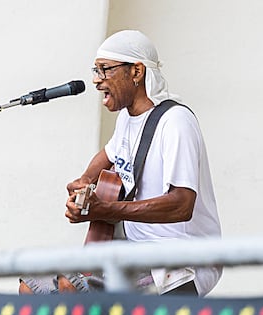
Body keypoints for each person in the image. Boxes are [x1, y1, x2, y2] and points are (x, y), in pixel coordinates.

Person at [20, 30, 221, 296]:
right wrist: (83, 185)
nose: (96, 80)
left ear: (136, 72)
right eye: (96, 70)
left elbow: (181, 205)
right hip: (133, 251)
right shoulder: (127, 118)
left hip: (180, 257)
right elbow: (106, 157)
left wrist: (108, 209)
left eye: (105, 70)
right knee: (33, 286)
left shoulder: (176, 122)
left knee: (70, 288)